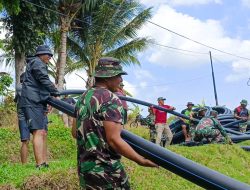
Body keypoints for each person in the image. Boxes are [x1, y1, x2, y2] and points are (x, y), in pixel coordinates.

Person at [72, 57, 157, 189]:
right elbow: (114, 140)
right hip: (106, 171)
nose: (121, 80)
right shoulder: (111, 99)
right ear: (108, 77)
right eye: (118, 76)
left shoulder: (82, 98)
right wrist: (140, 159)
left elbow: (74, 132)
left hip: (85, 170)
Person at [20, 45, 59, 169]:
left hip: (37, 101)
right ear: (40, 54)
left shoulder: (36, 63)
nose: (49, 57)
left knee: (42, 132)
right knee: (38, 131)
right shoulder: (37, 63)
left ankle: (43, 162)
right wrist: (55, 92)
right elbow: (44, 80)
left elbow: (40, 85)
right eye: (47, 54)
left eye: (50, 55)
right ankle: (40, 164)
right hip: (32, 102)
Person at [14, 73, 30, 164]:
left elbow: (15, 100)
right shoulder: (21, 87)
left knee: (25, 141)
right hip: (25, 116)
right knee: (26, 141)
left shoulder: (19, 88)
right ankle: (24, 164)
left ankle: (24, 164)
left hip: (24, 116)